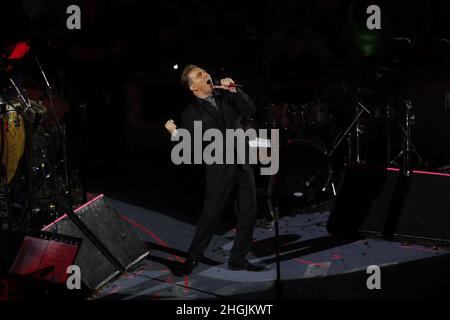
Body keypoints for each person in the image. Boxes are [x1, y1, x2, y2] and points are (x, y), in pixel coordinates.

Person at [165, 64, 265, 274]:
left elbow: (250, 110)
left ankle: (238, 258)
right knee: (211, 215)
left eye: (205, 72)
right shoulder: (190, 113)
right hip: (219, 168)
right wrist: (175, 133)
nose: (206, 75)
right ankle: (193, 258)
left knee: (249, 211)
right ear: (193, 87)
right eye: (199, 76)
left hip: (242, 162)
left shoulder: (226, 96)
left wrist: (235, 91)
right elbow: (189, 146)